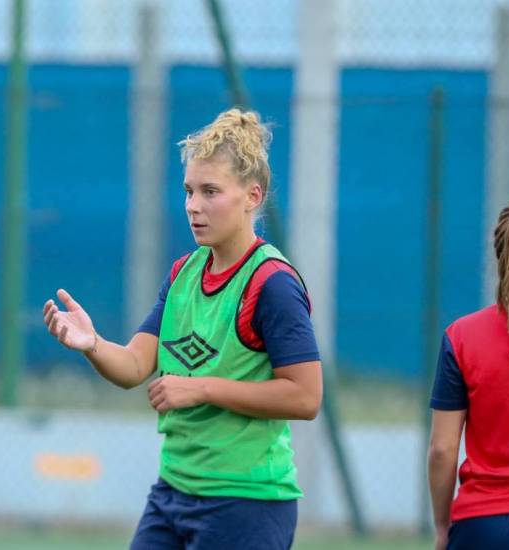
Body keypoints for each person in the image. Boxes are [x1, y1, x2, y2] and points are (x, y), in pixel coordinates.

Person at [42, 108, 322, 549]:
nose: (193, 205)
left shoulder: (272, 284)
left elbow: (305, 397)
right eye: (189, 191)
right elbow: (135, 365)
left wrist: (203, 388)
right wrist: (92, 344)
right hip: (173, 492)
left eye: (211, 192)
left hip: (245, 501)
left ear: (252, 196)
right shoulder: (184, 273)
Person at [428, 197, 509, 550]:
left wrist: (443, 527)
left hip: (482, 527)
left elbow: (442, 449)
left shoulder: (462, 337)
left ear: (500, 256)